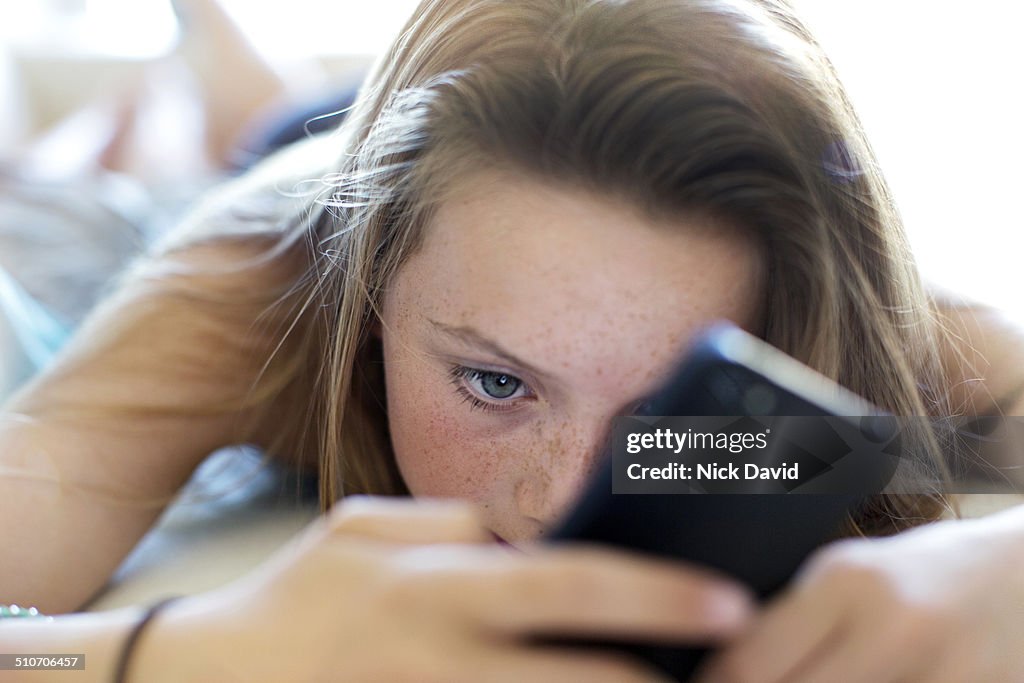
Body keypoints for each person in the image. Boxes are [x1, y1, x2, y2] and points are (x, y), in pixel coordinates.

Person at [3, 0, 1024, 681]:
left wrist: (1001, 565)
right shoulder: (247, 294)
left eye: (669, 405)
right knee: (133, 153)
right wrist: (183, 650)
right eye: (494, 381)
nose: (556, 496)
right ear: (369, 307)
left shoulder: (874, 331)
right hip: (291, 177)